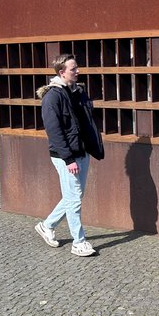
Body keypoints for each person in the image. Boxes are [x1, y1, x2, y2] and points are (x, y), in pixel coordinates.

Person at [34, 54, 105, 257]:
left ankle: (47, 226)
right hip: (66, 156)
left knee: (74, 196)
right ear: (61, 72)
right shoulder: (52, 97)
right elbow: (54, 131)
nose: (78, 71)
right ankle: (79, 242)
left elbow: (86, 122)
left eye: (77, 67)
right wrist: (68, 159)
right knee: (74, 200)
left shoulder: (78, 92)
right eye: (73, 68)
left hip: (81, 152)